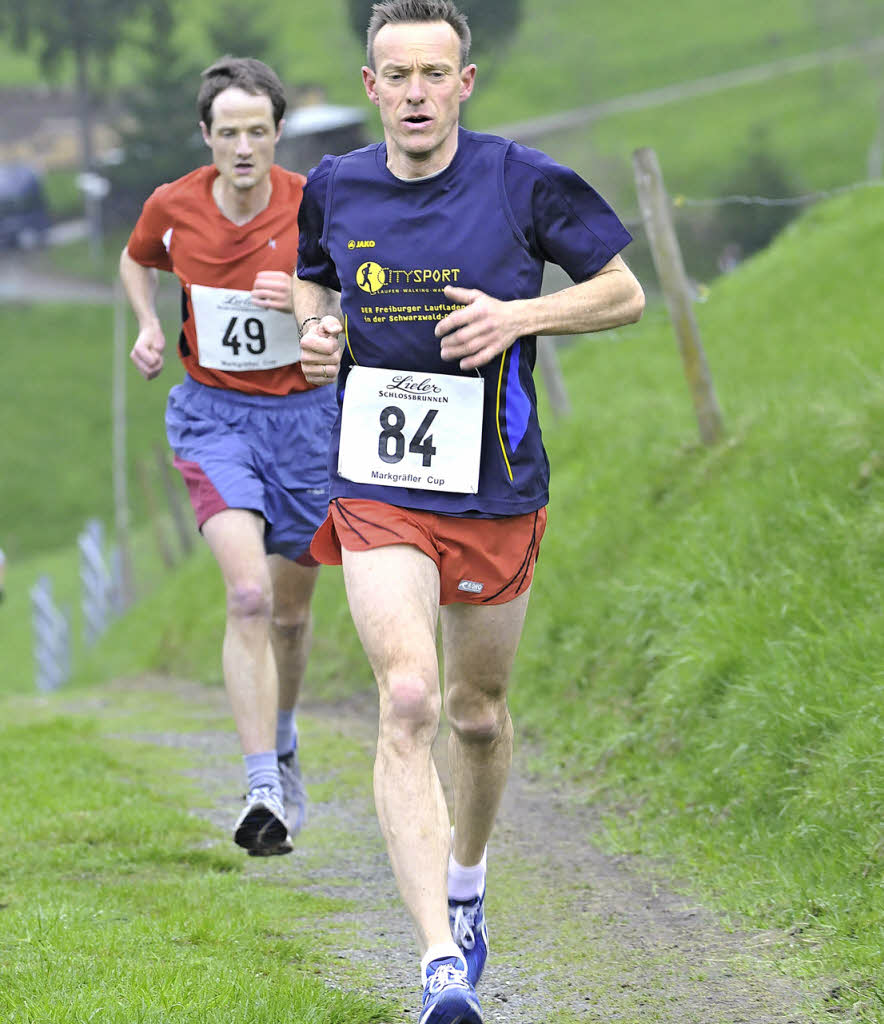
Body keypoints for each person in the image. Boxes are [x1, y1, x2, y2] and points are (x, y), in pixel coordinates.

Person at [293, 2, 644, 1020]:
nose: (412, 93)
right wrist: (319, 341)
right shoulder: (333, 185)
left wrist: (519, 314)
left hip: (492, 482)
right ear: (369, 88)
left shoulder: (519, 180)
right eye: (394, 75)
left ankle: (467, 877)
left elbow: (621, 293)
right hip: (377, 482)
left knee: (473, 714)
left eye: (431, 75)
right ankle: (439, 963)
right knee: (405, 698)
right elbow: (315, 289)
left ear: (464, 83)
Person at [119, 56, 337, 856]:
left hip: (309, 421)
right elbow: (137, 257)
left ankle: (282, 739)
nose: (244, 148)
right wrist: (148, 325)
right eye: (228, 133)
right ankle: (261, 790)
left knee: (288, 611)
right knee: (246, 595)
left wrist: (314, 302)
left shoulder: (317, 202)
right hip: (215, 418)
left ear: (278, 132)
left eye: (258, 132)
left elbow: (360, 287)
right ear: (205, 136)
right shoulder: (172, 205)